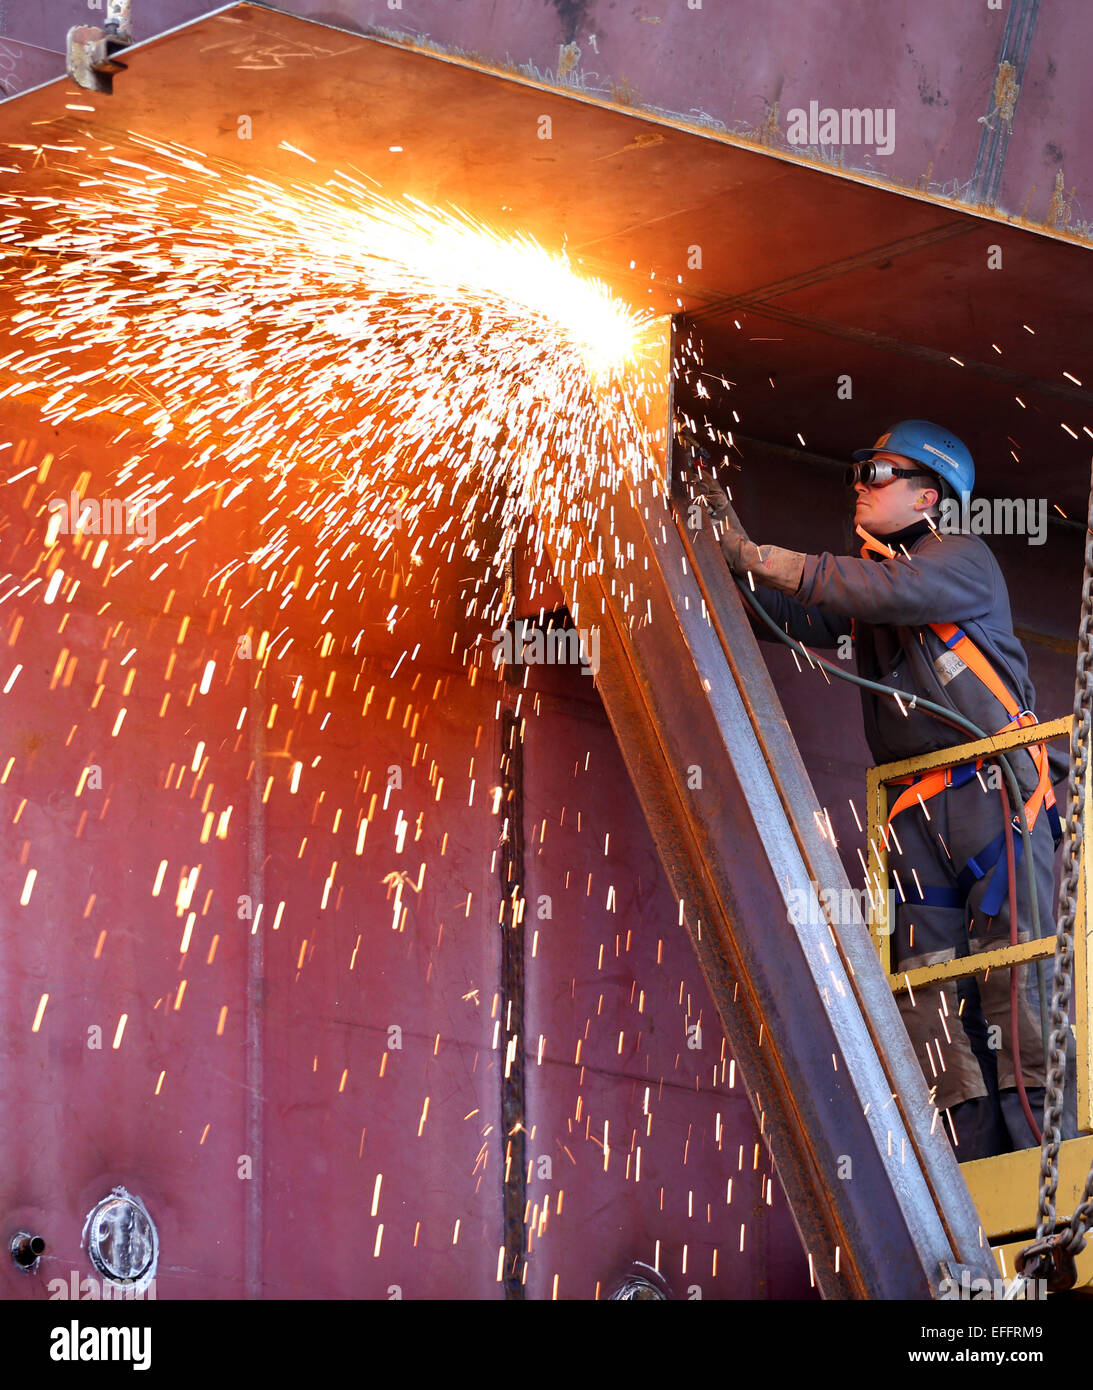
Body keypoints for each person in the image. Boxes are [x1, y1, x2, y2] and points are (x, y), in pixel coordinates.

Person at [693, 420, 1073, 1161]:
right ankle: (968, 1166)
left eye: (877, 472)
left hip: (994, 798)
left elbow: (881, 588)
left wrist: (763, 557)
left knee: (1012, 979)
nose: (859, 486)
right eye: (858, 472)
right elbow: (782, 608)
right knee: (927, 997)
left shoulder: (960, 559)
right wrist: (717, 531)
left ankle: (1037, 1168)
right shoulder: (873, 586)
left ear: (928, 495)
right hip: (915, 812)